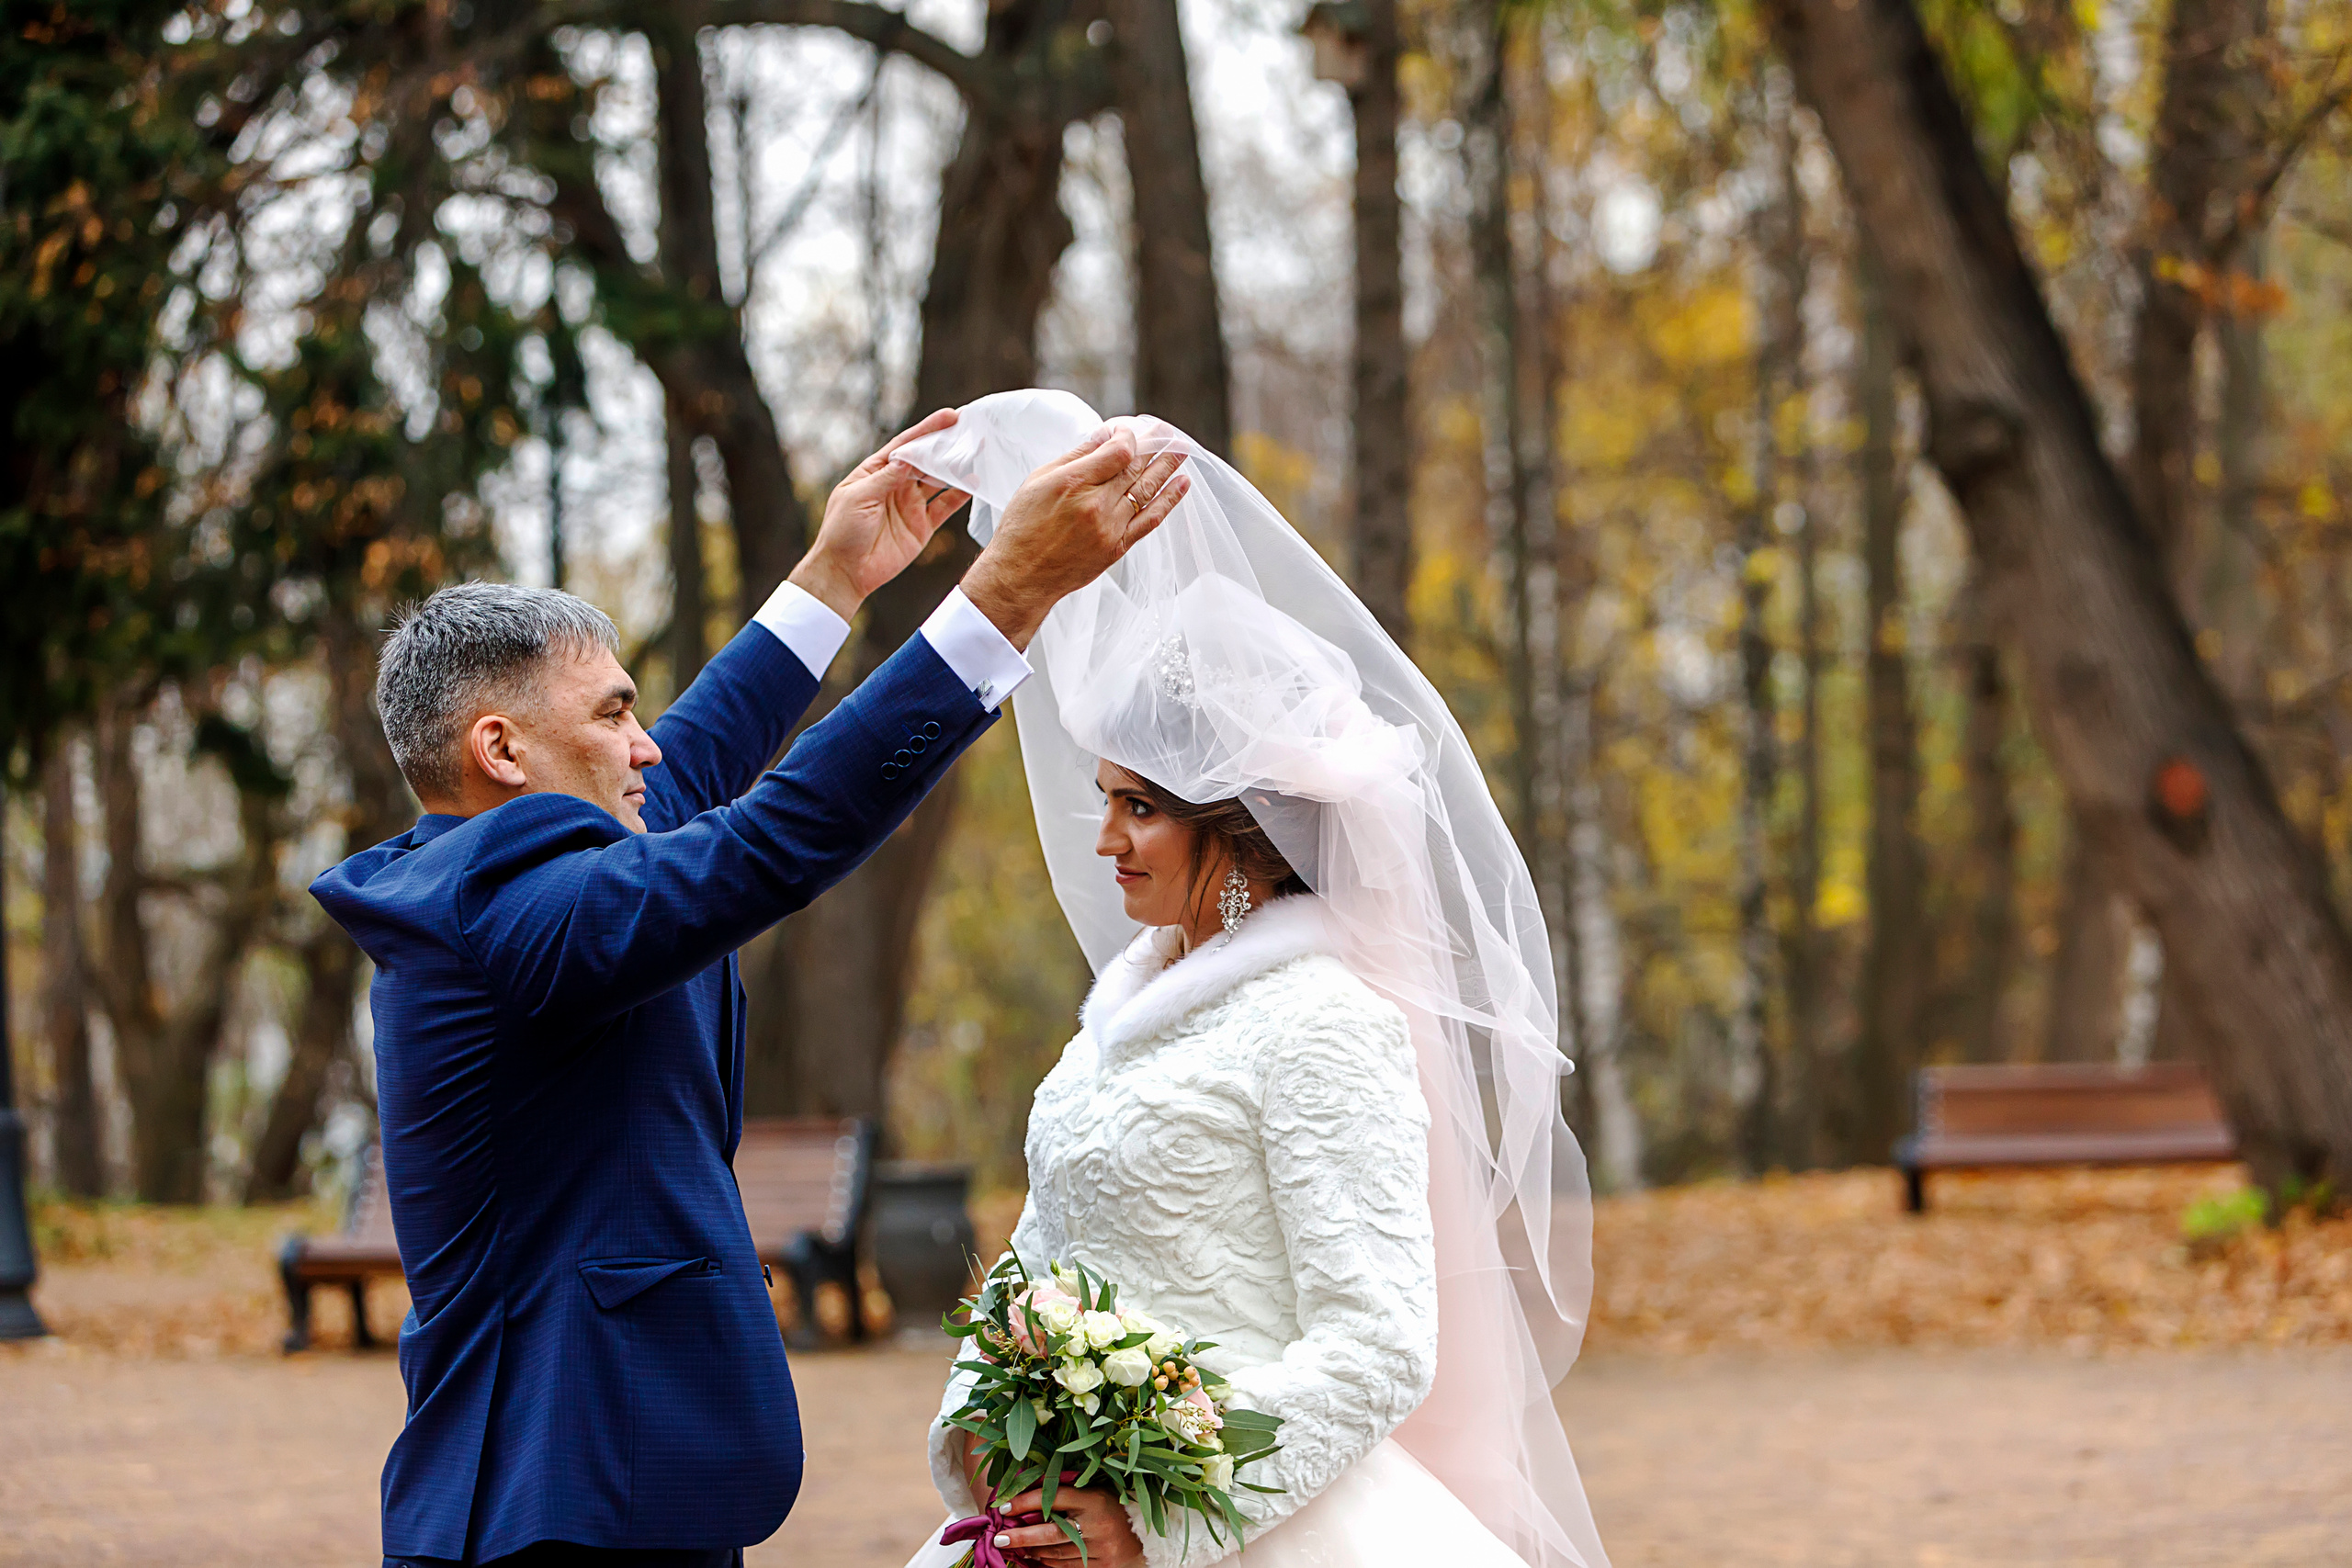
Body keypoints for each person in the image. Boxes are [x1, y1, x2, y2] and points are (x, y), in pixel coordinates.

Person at [310, 406, 1191, 1568]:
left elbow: (698, 762)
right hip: (557, 1508)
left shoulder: (516, 875)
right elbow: (769, 837)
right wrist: (1005, 596)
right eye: (613, 714)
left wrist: (835, 577)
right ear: (503, 751)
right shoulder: (508, 913)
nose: (646, 743)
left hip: (607, 1485)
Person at [889, 392, 1611, 1568]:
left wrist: (1152, 1520)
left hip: (1252, 1524)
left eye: (1138, 807)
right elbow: (1035, 1262)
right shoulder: (1116, 1020)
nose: (1104, 838)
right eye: (1105, 800)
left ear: (1238, 828)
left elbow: (1378, 1345)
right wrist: (993, 1443)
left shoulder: (1324, 1023)